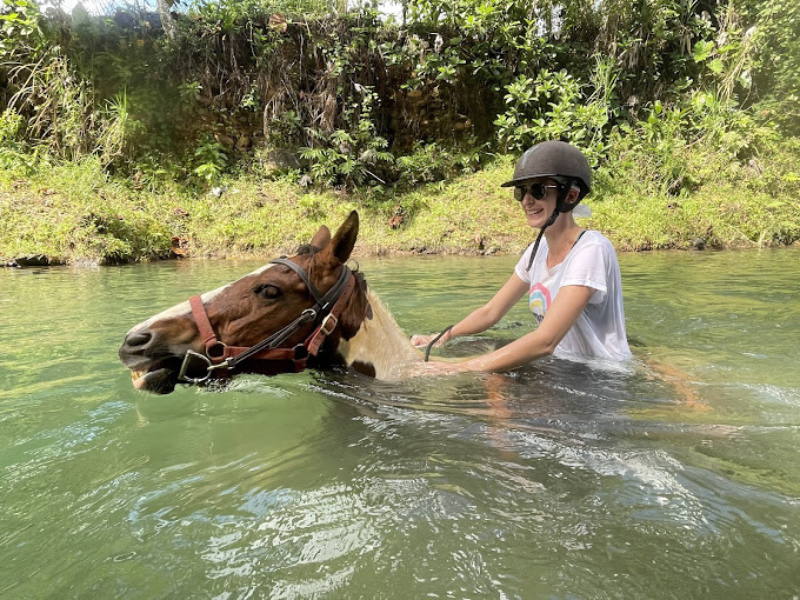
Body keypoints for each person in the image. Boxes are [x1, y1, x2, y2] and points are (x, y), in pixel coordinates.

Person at [410, 140, 632, 374]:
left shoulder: (591, 250)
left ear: (570, 196)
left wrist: (456, 368)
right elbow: (491, 312)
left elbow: (545, 341)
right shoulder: (537, 252)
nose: (527, 200)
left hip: (600, 378)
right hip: (562, 369)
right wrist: (444, 336)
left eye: (538, 190)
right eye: (521, 191)